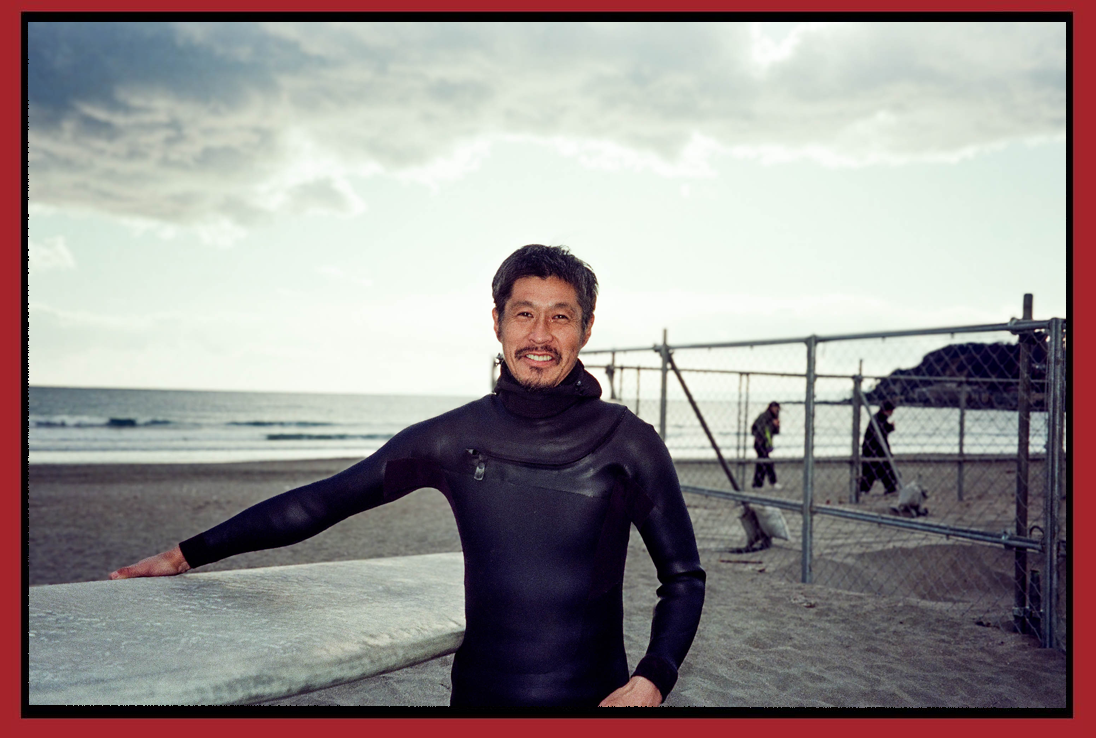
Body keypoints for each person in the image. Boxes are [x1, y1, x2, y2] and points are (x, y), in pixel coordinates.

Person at [110, 244, 706, 709]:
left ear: (587, 327)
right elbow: (323, 502)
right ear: (497, 322)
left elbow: (682, 577)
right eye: (525, 314)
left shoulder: (628, 440)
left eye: (560, 317)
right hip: (477, 699)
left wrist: (653, 679)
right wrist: (187, 555)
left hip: (596, 701)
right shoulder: (453, 437)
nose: (541, 336)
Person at [859, 400, 898, 495]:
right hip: (875, 449)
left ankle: (865, 489)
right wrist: (891, 427)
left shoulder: (878, 418)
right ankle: (889, 488)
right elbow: (881, 431)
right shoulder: (879, 418)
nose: (892, 413)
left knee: (875, 470)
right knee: (881, 469)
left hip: (873, 448)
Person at [750, 401, 781, 489]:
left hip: (766, 443)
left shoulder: (773, 418)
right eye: (776, 408)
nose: (777, 411)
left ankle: (758, 483)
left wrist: (776, 425)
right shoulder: (764, 416)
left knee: (762, 463)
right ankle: (772, 481)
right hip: (760, 442)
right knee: (766, 462)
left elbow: (775, 432)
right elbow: (760, 428)